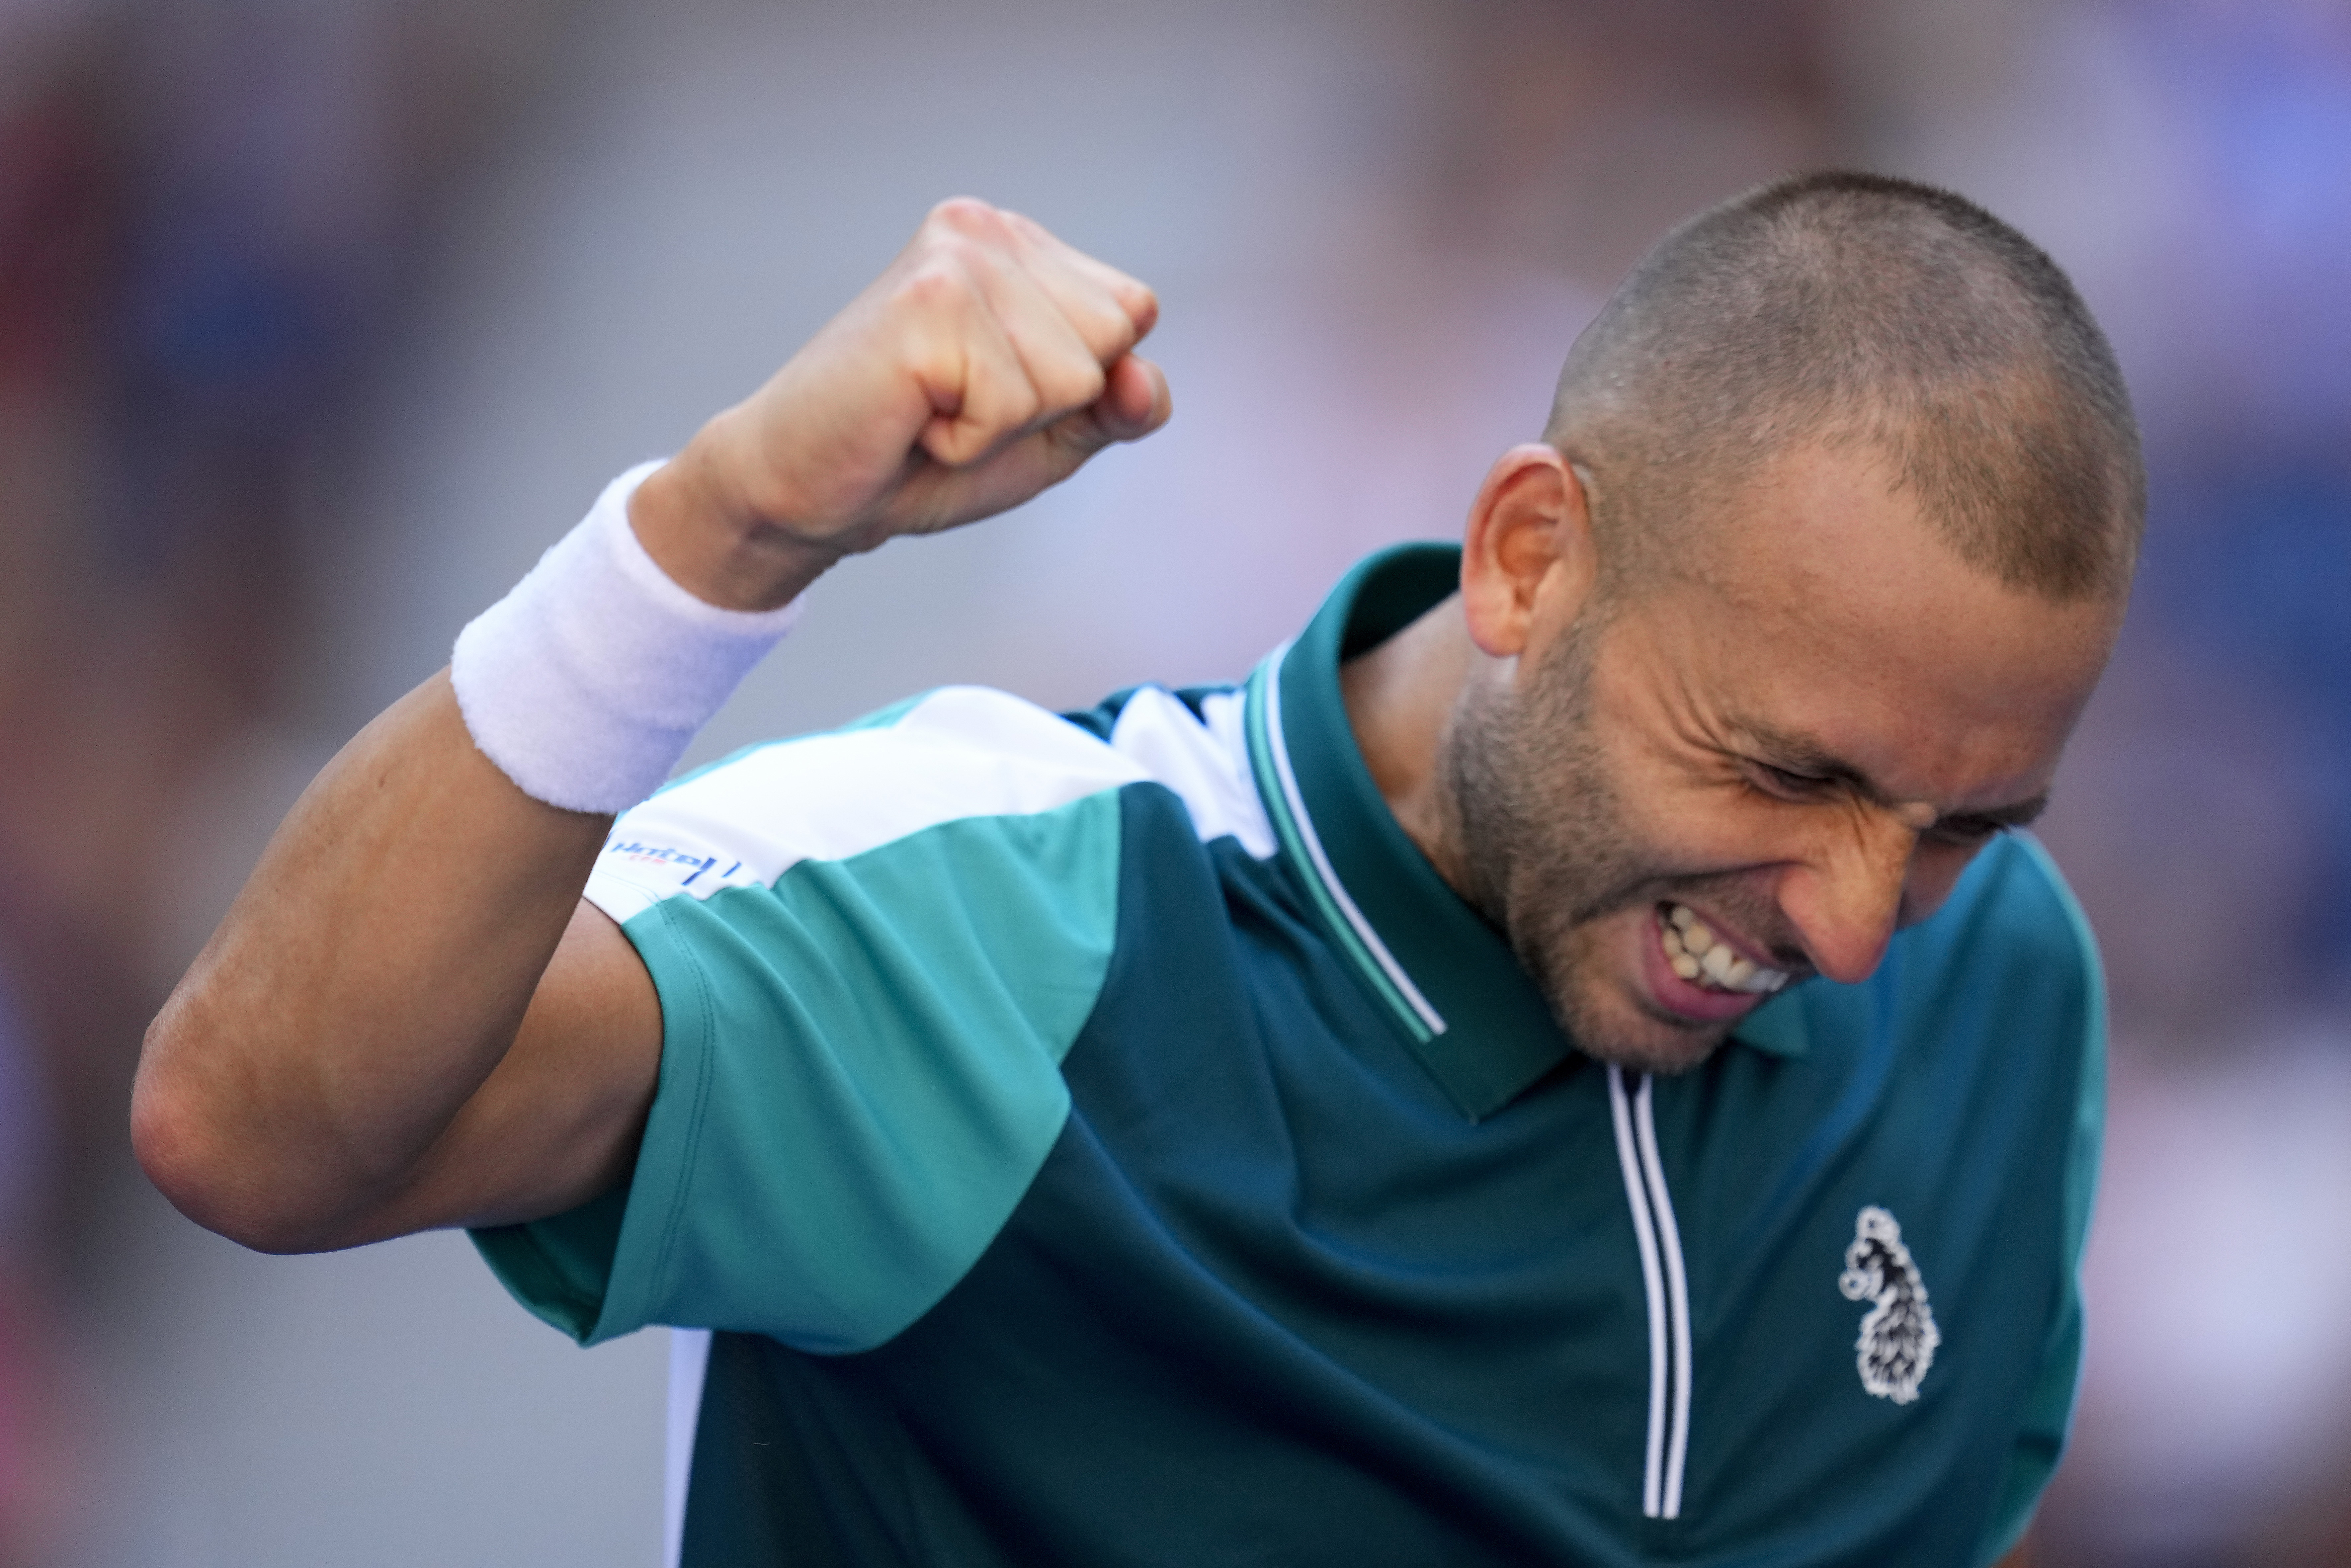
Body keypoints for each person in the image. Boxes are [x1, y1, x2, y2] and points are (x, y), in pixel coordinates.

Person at [132, 172, 2141, 1567]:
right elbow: (262, 1127)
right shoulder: (1010, 929)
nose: (1866, 921)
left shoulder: (2011, 985)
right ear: (1534, 557)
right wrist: (717, 534)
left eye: (1964, 823)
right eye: (1787, 767)